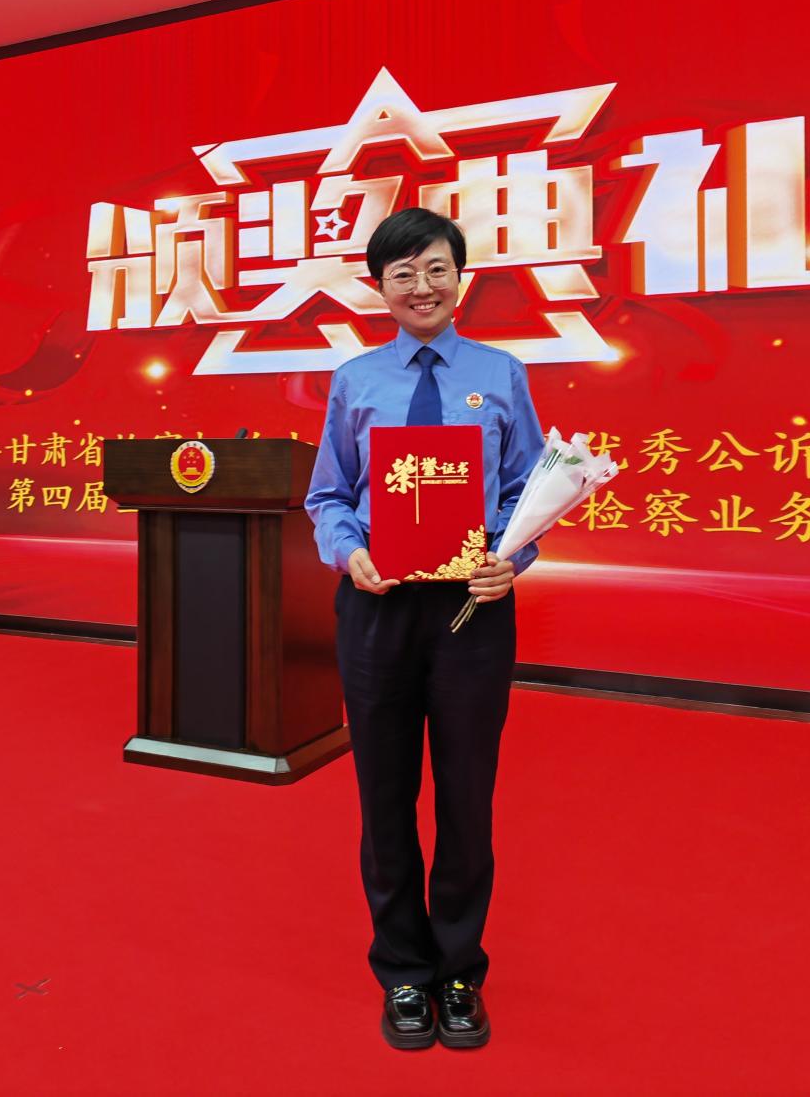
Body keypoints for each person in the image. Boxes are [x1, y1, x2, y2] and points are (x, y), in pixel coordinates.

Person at [305, 207, 545, 1051]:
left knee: (467, 794)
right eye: (402, 273)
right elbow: (328, 494)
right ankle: (403, 969)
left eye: (436, 268)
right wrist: (350, 552)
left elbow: (528, 489)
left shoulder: (501, 372)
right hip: (378, 606)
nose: (421, 286)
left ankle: (459, 969)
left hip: (471, 606)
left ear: (460, 278)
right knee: (385, 793)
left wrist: (513, 556)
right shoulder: (355, 379)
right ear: (380, 288)